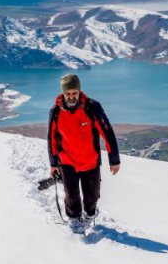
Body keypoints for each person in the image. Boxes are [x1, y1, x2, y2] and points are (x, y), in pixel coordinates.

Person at [47, 74, 120, 232]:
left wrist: (113, 159)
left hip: (90, 161)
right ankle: (74, 218)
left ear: (79, 91)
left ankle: (89, 215)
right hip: (67, 161)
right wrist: (53, 164)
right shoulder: (56, 111)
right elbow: (52, 138)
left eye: (74, 93)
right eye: (68, 93)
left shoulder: (92, 107)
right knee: (71, 195)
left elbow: (107, 132)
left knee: (92, 196)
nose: (71, 96)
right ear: (63, 93)